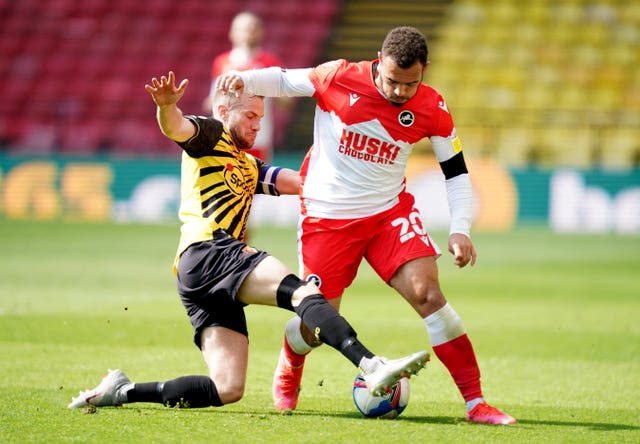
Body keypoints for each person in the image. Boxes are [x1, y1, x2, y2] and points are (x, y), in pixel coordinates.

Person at [67, 71, 428, 410]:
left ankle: (122, 391)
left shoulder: (247, 165)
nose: (258, 125)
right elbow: (177, 127)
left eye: (262, 118)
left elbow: (303, 184)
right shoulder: (210, 136)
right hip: (211, 250)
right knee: (304, 294)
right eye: (252, 116)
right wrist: (166, 107)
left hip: (196, 275)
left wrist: (359, 176)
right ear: (224, 111)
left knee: (227, 389)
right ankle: (371, 364)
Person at [215, 26, 517, 425]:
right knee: (316, 325)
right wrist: (247, 80)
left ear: (425, 70)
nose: (399, 92)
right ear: (379, 61)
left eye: (410, 83)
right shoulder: (340, 75)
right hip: (327, 217)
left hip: (388, 214)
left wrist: (460, 227)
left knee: (428, 294)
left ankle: (476, 402)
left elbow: (457, 172)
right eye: (392, 81)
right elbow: (286, 80)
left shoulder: (432, 106)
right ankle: (291, 356)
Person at [203, 11, 287, 163]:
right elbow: (211, 102)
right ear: (233, 33)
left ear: (261, 32)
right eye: (245, 28)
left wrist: (273, 91)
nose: (250, 32)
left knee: (257, 181)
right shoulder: (222, 62)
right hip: (226, 138)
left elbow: (285, 101)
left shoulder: (269, 62)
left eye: (254, 27)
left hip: (257, 138)